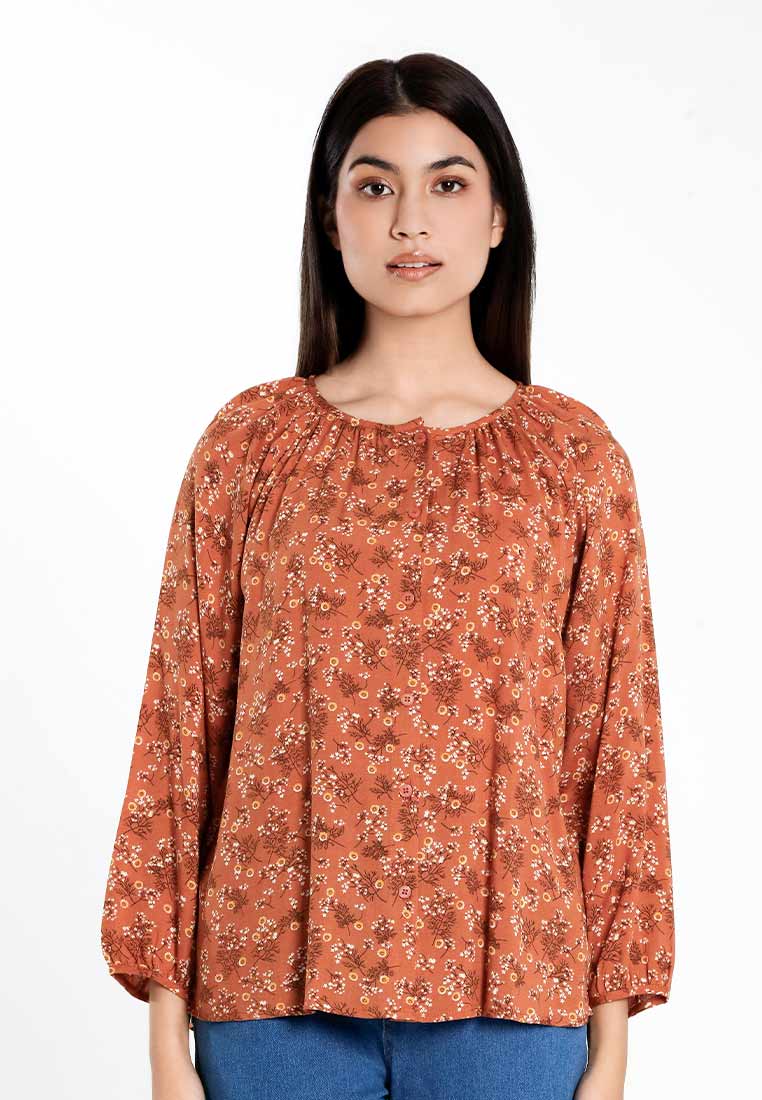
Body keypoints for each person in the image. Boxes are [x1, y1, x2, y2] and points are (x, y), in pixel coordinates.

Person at [100, 52, 676, 1100]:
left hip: (514, 1002)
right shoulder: (251, 446)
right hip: (269, 996)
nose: (411, 221)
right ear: (332, 220)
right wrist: (165, 1041)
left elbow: (614, 750)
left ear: (497, 218)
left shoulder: (573, 459)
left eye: (447, 184)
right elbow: (183, 732)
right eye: (375, 187)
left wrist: (612, 1043)